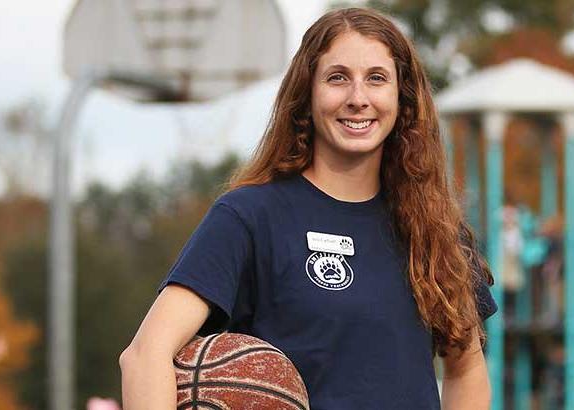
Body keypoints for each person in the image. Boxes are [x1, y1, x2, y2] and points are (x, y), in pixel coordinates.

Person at [118, 7, 496, 410]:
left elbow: (466, 370)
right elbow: (145, 356)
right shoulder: (250, 216)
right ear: (307, 94)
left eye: (376, 79)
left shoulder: (435, 228)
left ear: (402, 98)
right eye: (337, 78)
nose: (357, 98)